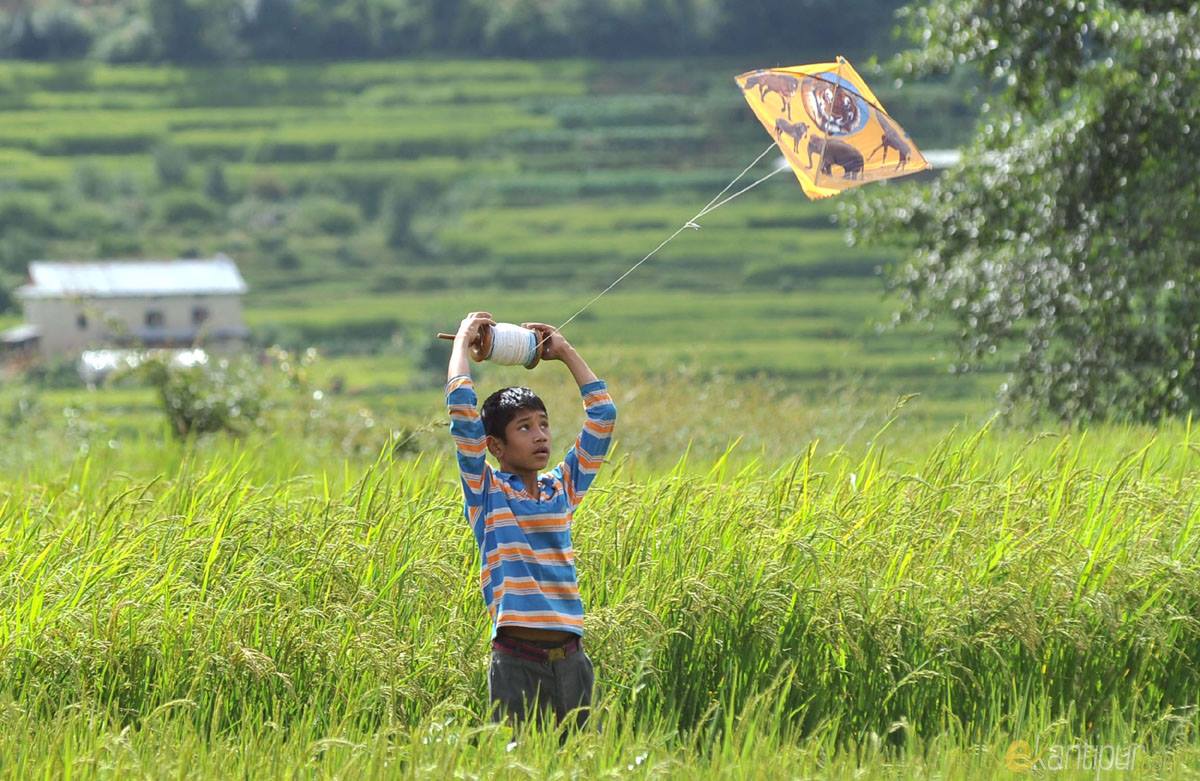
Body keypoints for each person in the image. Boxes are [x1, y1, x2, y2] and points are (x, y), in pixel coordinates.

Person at [444, 311, 617, 741]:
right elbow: (464, 416)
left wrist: (564, 352)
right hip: (516, 662)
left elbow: (603, 417)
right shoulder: (487, 492)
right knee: (519, 764)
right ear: (496, 446)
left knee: (578, 762)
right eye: (524, 428)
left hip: (572, 661)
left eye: (543, 425)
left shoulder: (563, 487)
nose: (540, 436)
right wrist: (462, 343)